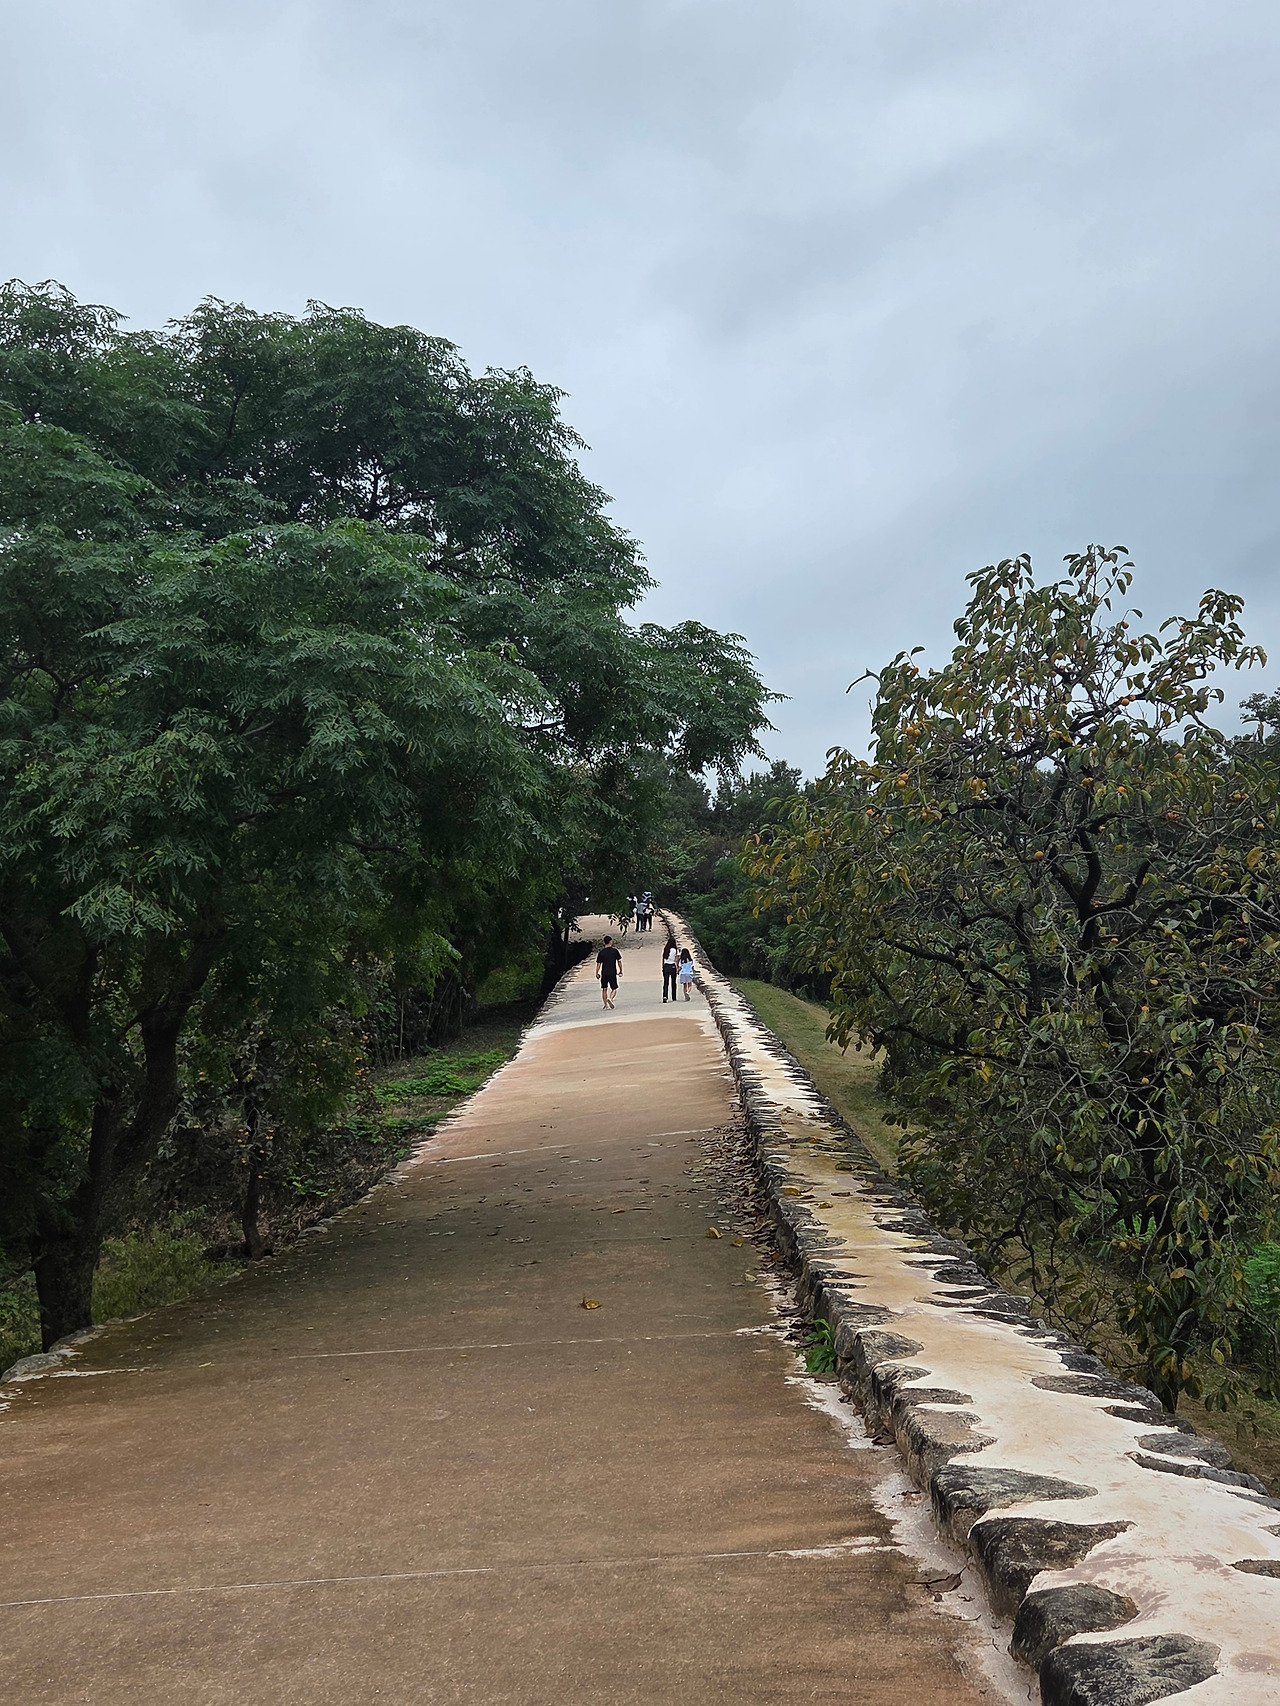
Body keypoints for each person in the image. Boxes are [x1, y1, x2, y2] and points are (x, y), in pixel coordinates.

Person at [596, 935, 622, 1009]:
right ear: (610, 941)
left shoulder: (601, 952)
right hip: (612, 972)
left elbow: (598, 964)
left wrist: (596, 973)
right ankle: (610, 998)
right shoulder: (614, 951)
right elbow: (619, 961)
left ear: (604, 942)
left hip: (604, 973)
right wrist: (621, 970)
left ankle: (605, 1005)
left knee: (604, 989)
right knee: (614, 988)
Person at [661, 934, 679, 1002]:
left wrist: (663, 967)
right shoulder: (675, 950)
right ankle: (674, 997)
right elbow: (676, 960)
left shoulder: (666, 950)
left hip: (666, 966)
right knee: (673, 982)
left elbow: (663, 959)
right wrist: (677, 968)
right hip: (672, 966)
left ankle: (665, 996)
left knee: (666, 982)